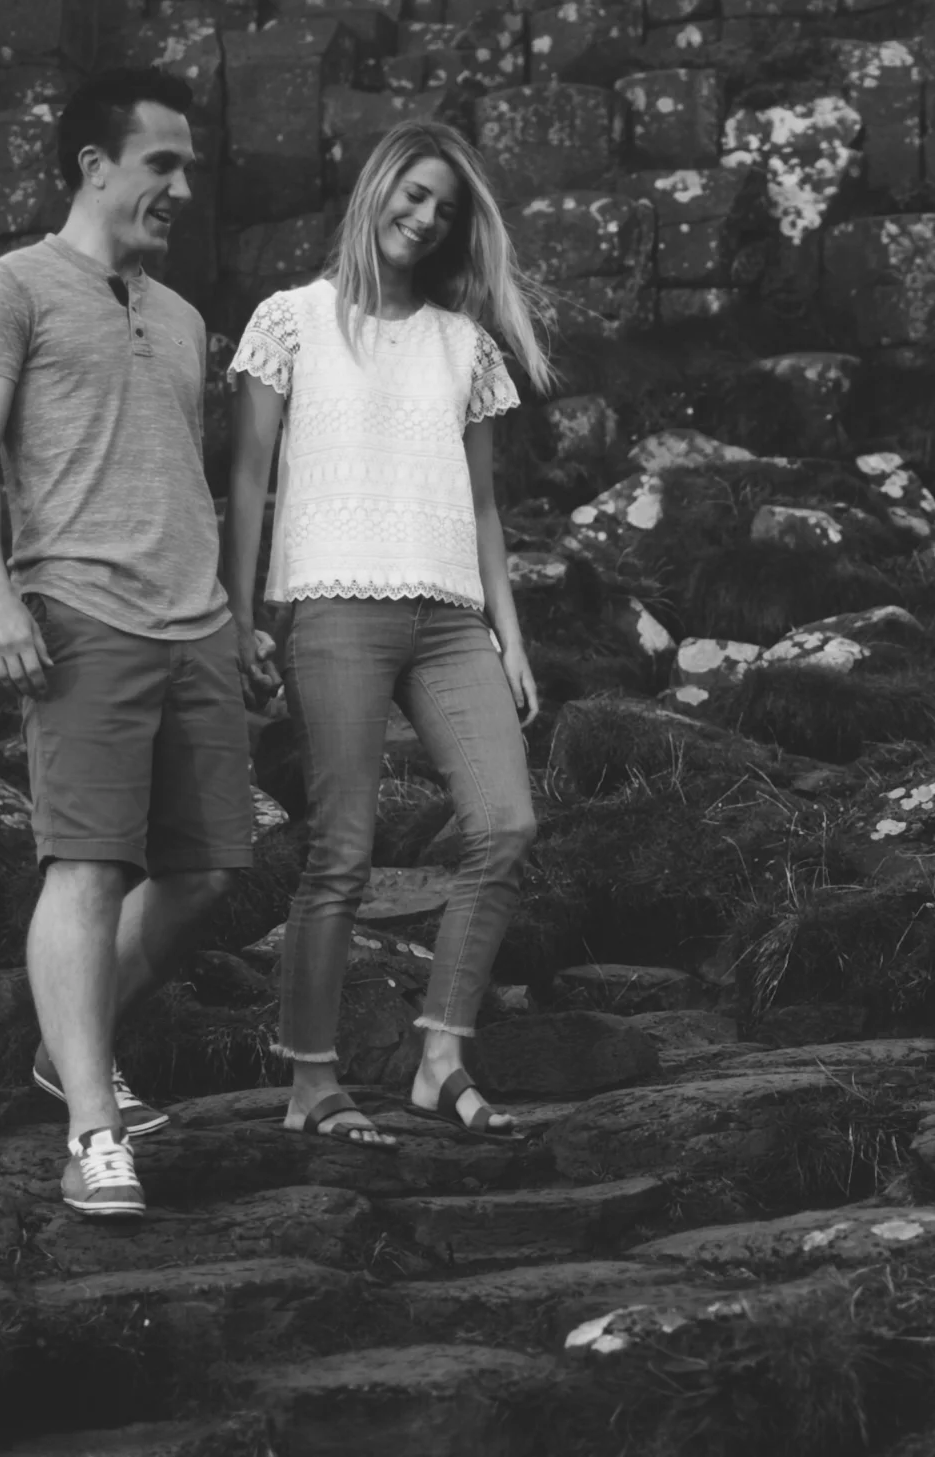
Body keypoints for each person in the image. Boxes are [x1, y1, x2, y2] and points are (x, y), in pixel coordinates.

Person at [0, 67, 250, 1219]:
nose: (183, 184)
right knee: (86, 863)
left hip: (199, 620)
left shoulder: (180, 317)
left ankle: (65, 1047)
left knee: (206, 872)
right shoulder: (9, 285)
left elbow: (184, 468)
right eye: (163, 162)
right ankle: (91, 1125)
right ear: (96, 166)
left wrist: (237, 611)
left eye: (189, 165)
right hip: (76, 611)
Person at [223, 120, 553, 1149]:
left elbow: (487, 506)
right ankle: (312, 1080)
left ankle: (439, 1053)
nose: (425, 218)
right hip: (332, 605)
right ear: (375, 191)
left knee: (504, 824)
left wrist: (512, 633)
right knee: (344, 852)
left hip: (452, 616)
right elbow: (246, 480)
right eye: (413, 195)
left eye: (446, 209)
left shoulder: (466, 343)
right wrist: (239, 619)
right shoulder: (292, 320)